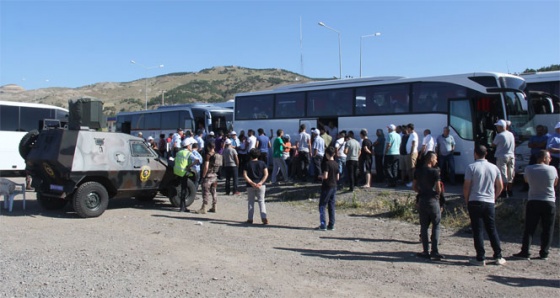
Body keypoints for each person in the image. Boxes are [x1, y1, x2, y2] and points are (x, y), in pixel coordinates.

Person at [463, 145, 506, 266]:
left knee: (477, 230)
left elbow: (467, 186)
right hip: (489, 201)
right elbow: (500, 186)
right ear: (486, 153)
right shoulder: (494, 167)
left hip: (475, 200)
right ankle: (498, 255)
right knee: (492, 229)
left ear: (475, 154)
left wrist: (467, 199)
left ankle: (480, 257)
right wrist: (494, 197)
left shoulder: (471, 167)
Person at [512, 150, 558, 260]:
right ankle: (544, 252)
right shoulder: (552, 169)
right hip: (549, 201)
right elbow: (555, 183)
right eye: (549, 158)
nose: (550, 159)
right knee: (548, 228)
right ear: (544, 158)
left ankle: (525, 251)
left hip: (534, 200)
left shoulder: (529, 169)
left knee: (529, 228)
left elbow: (526, 181)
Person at [413, 152, 444, 260]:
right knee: (436, 226)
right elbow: (439, 189)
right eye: (435, 159)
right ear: (431, 160)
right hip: (433, 201)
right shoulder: (435, 172)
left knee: (424, 226)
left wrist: (421, 192)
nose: (437, 161)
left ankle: (425, 251)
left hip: (422, 200)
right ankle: (434, 251)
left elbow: (414, 187)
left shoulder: (418, 171)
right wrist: (437, 196)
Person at [243, 148, 269, 224]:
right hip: (261, 185)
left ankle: (250, 218)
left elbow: (245, 175)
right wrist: (261, 182)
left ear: (250, 155)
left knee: (251, 201)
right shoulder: (262, 163)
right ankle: (263, 217)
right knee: (261, 201)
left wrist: (251, 182)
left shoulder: (247, 164)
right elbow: (266, 174)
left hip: (250, 185)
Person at [317, 146, 339, 231]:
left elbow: (325, 176)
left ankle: (323, 224)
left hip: (327, 186)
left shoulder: (327, 164)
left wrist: (320, 176)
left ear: (326, 154)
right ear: (334, 154)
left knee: (322, 205)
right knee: (331, 205)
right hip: (334, 186)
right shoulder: (336, 164)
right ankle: (331, 225)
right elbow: (338, 177)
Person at [491, 119, 515, 198]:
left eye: (497, 127)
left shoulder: (499, 135)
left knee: (503, 174)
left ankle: (504, 192)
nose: (497, 128)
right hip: (511, 156)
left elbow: (493, 145)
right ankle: (510, 190)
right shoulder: (511, 134)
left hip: (502, 156)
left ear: (501, 127)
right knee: (510, 174)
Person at [173, 138, 198, 212]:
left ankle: (182, 206)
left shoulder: (179, 152)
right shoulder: (188, 153)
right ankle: (182, 207)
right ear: (188, 146)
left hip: (177, 172)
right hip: (184, 173)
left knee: (180, 189)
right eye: (190, 145)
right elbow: (197, 160)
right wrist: (190, 166)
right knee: (184, 190)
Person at [195, 142, 219, 214]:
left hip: (208, 176)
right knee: (214, 191)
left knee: (205, 192)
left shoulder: (208, 155)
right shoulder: (217, 155)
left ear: (208, 147)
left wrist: (203, 175)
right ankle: (214, 206)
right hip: (214, 175)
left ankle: (204, 207)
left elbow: (206, 166)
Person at [405, 123, 419, 188]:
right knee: (410, 168)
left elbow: (413, 144)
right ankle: (411, 181)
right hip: (410, 153)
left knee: (412, 168)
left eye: (407, 128)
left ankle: (413, 182)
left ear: (410, 128)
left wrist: (411, 152)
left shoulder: (414, 135)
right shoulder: (411, 134)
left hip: (412, 153)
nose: (406, 130)